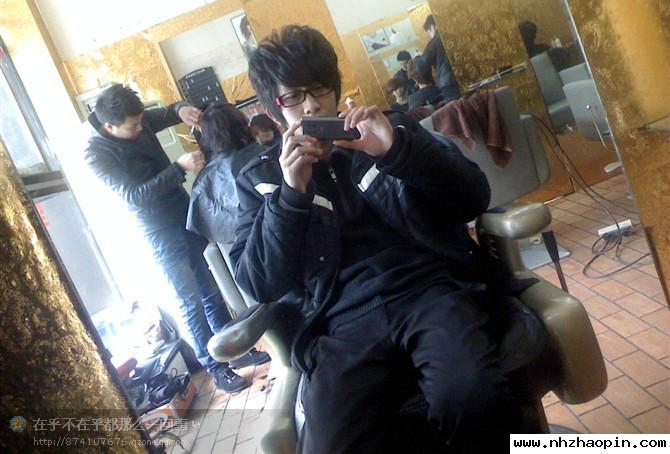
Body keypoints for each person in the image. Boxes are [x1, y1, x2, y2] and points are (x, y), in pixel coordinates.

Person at [230, 25, 523, 453]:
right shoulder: (260, 178)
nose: (311, 104)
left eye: (319, 88)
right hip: (339, 322)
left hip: (430, 290)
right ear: (275, 112)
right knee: (332, 445)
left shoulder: (391, 128)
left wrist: (396, 151)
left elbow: (473, 197)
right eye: (292, 96)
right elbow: (259, 283)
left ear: (335, 88)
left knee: (472, 397)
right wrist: (290, 196)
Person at [85, 85, 269, 393]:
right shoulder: (97, 154)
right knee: (190, 298)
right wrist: (178, 168)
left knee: (210, 288)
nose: (141, 128)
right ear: (109, 126)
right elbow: (134, 196)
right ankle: (215, 367)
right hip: (158, 229)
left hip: (183, 211)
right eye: (133, 126)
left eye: (141, 121)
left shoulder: (136, 120)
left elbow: (170, 112)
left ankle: (233, 352)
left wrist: (181, 108)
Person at [186, 103, 269, 246]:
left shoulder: (203, 180)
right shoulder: (267, 156)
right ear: (243, 125)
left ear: (207, 137)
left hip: (239, 253)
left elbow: (209, 235)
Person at [422, 15, 462, 102]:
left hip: (447, 83)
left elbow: (423, 65)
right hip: (464, 77)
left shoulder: (433, 43)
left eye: (429, 32)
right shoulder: (454, 36)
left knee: (456, 108)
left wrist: (429, 81)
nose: (430, 35)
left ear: (432, 26)